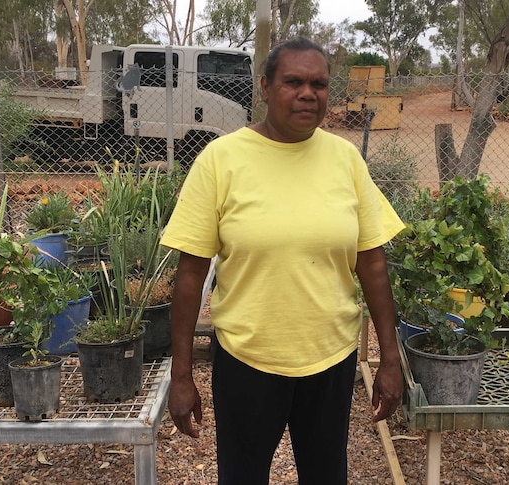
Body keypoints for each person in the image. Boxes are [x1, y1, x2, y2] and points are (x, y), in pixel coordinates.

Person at [159, 37, 405, 484]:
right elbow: (190, 275)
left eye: (319, 84)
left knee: (326, 474)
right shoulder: (220, 161)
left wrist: (390, 358)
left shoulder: (345, 159)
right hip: (246, 360)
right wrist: (181, 375)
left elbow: (372, 262)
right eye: (293, 82)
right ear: (265, 87)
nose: (307, 93)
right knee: (242, 476)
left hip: (330, 358)